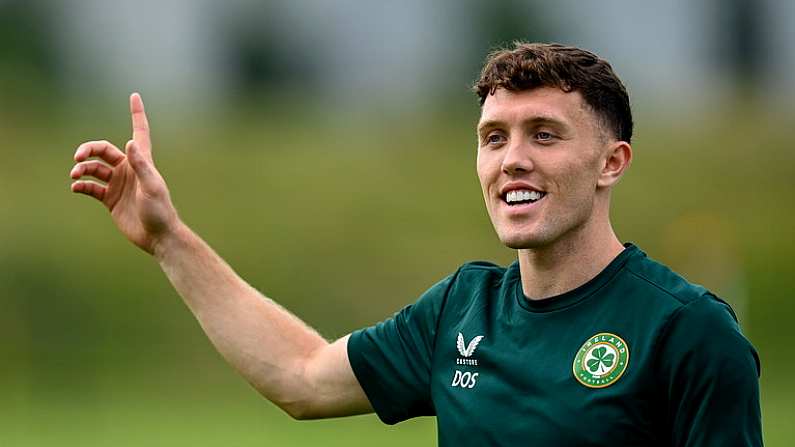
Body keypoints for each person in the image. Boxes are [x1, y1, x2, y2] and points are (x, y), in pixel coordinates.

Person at [69, 42, 762, 446]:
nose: (511, 160)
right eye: (494, 138)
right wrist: (168, 239)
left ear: (611, 162)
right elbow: (302, 375)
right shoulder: (461, 310)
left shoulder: (688, 332)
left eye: (543, 134)